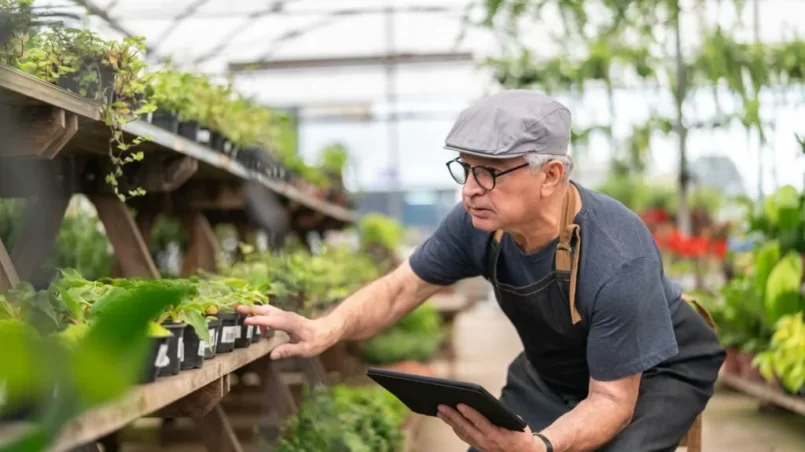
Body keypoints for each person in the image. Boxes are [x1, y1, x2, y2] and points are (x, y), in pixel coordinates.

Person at [239, 90, 726, 452]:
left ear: (551, 175)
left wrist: (542, 446)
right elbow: (402, 288)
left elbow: (612, 401)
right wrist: (326, 328)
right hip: (555, 373)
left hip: (655, 371)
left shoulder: (618, 255)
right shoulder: (478, 224)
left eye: (489, 172)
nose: (470, 189)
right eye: (466, 169)